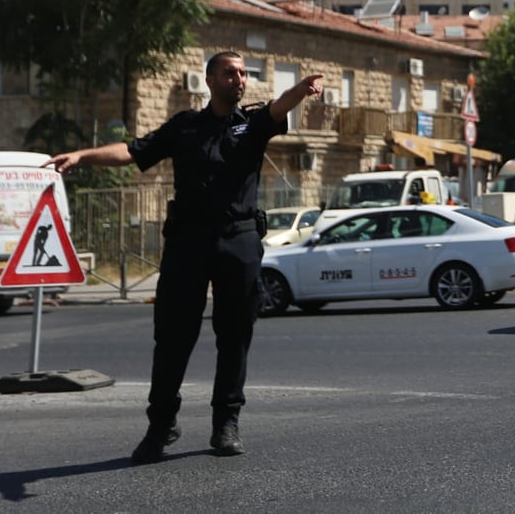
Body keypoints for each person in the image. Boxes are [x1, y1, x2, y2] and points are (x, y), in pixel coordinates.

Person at [45, 52, 323, 464]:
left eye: (244, 74)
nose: (240, 80)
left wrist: (301, 90)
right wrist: (83, 156)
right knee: (172, 339)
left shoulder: (253, 122)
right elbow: (133, 150)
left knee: (234, 337)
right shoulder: (184, 126)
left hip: (239, 241)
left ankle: (225, 424)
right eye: (231, 73)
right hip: (188, 244)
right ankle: (160, 426)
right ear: (210, 79)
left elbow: (278, 105)